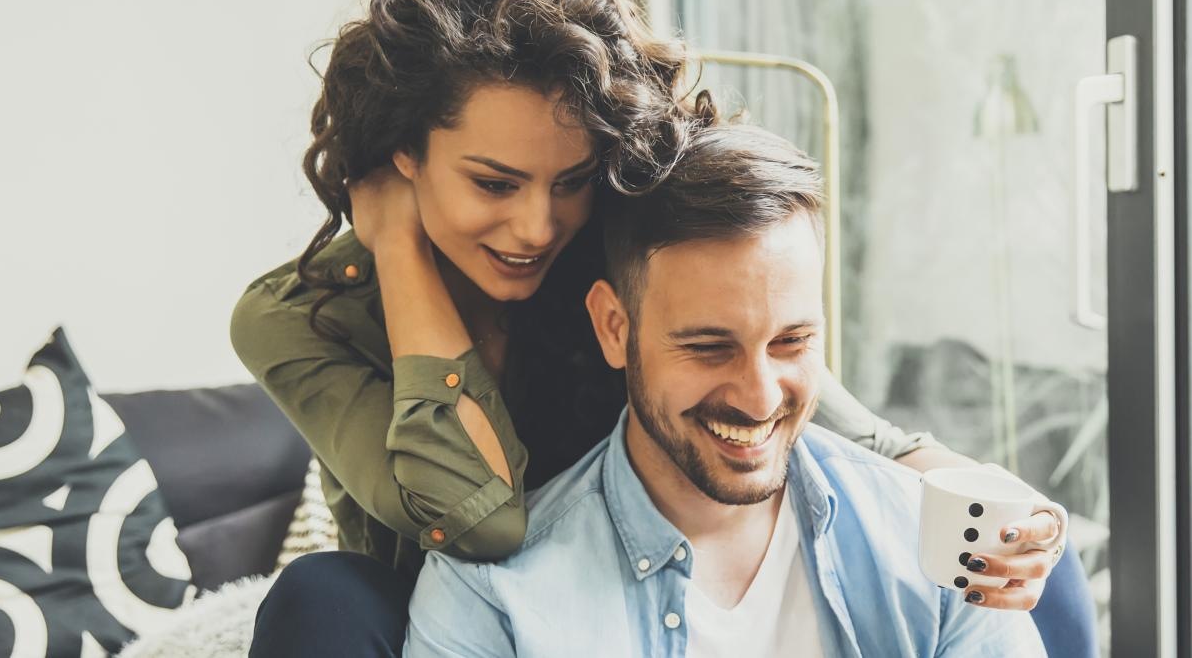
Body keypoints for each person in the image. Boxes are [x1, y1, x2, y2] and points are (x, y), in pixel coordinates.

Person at [229, 0, 1087, 654]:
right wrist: (398, 252)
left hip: (636, 575)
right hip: (455, 601)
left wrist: (1018, 521)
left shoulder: (604, 239)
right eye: (493, 183)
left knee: (1027, 561)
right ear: (404, 155)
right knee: (319, 600)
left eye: (568, 181)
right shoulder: (298, 318)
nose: (537, 226)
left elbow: (840, 428)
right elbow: (475, 524)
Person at [406, 122, 1048, 657]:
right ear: (613, 328)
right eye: (709, 347)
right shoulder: (491, 594)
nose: (760, 395)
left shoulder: (934, 545)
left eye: (792, 342)